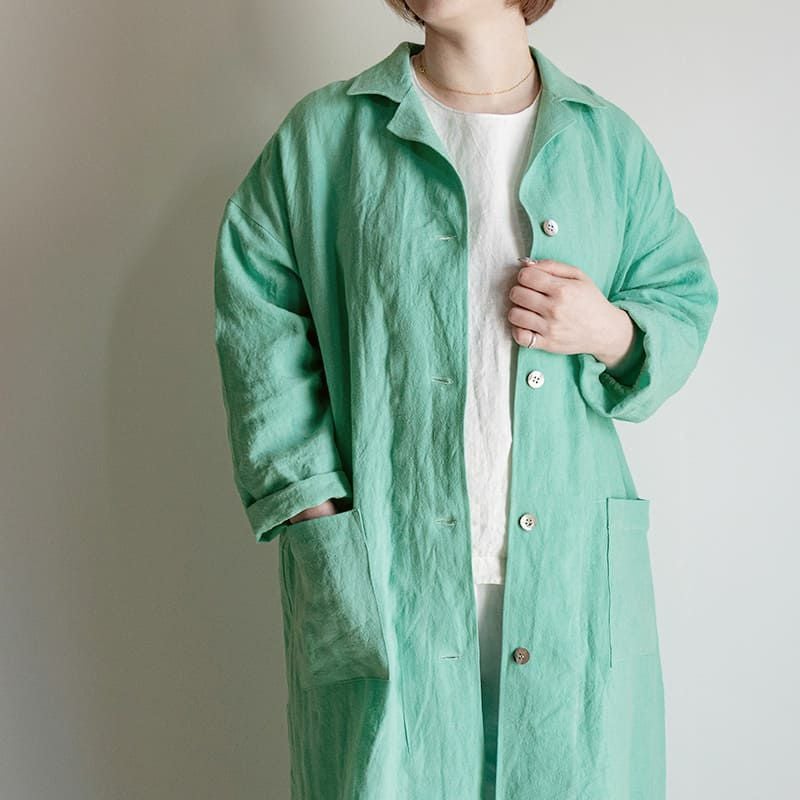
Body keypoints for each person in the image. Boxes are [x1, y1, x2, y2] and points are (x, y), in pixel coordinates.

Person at [213, 2, 719, 798]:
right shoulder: (324, 138)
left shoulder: (608, 144)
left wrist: (609, 329)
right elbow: (258, 318)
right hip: (384, 572)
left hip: (570, 579)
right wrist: (311, 505)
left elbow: (682, 300)